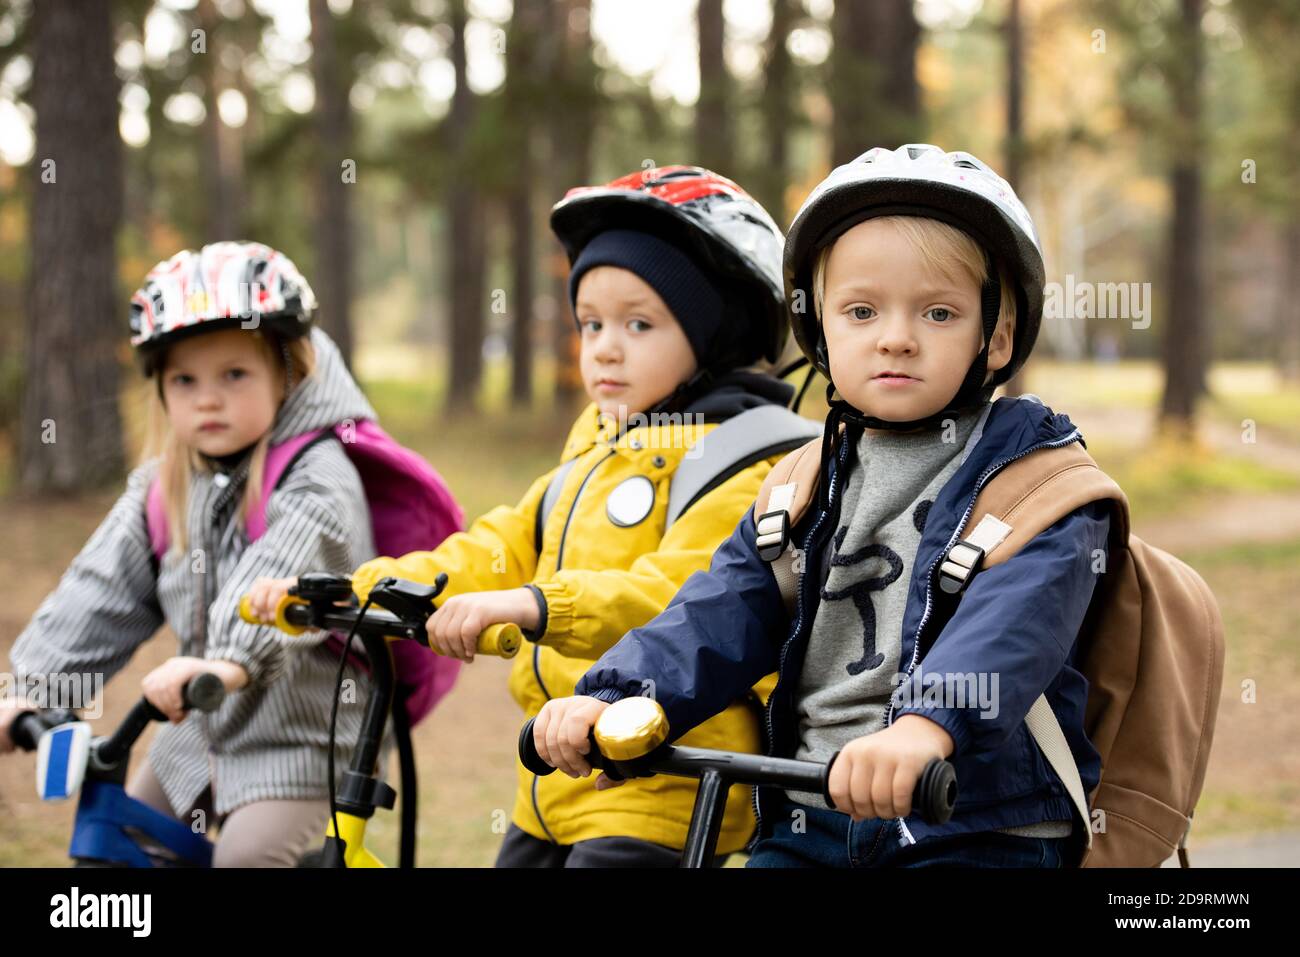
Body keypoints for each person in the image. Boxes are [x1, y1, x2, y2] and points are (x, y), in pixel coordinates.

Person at [535, 145, 1111, 868]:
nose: (895, 336)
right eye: (862, 310)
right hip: (811, 812)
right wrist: (620, 691)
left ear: (994, 336)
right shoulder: (800, 485)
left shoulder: (1037, 479)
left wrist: (928, 726)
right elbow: (721, 606)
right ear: (821, 330)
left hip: (970, 820)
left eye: (938, 312)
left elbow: (1015, 624)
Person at [257, 166, 817, 867]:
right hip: (550, 777)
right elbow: (498, 544)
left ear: (718, 335)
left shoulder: (752, 458)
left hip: (660, 781)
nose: (605, 346)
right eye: (589, 323)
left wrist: (534, 605)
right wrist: (359, 588)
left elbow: (680, 592)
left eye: (638, 323)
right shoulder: (597, 443)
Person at [0, 242, 388, 867]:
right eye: (185, 379)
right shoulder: (164, 489)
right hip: (198, 735)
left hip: (305, 745)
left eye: (234, 374)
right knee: (114, 850)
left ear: (289, 371)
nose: (207, 399)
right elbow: (100, 591)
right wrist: (35, 691)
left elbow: (269, 585)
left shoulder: (318, 479)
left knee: (244, 860)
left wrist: (228, 662)